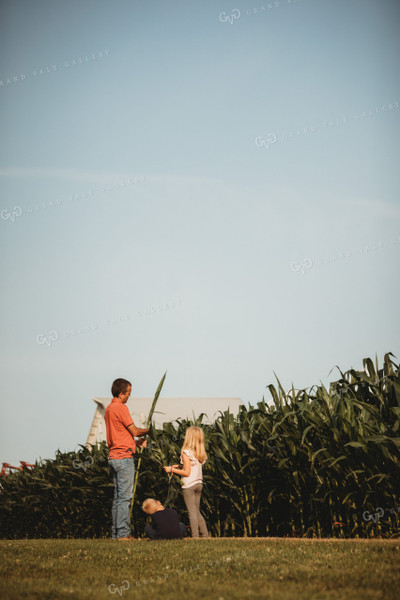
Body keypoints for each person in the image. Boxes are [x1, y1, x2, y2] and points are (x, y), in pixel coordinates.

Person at [105, 378, 149, 540]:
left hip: (114, 456)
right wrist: (148, 431)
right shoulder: (121, 408)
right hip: (124, 458)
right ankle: (123, 534)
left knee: (118, 498)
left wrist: (135, 444)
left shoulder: (109, 409)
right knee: (124, 498)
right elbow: (135, 431)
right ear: (121, 393)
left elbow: (120, 435)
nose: (129, 396)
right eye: (128, 393)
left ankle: (116, 534)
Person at [163, 426, 209, 538]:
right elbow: (191, 467)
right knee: (197, 511)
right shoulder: (199, 453)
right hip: (199, 484)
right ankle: (206, 535)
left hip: (189, 485)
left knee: (192, 512)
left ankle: (195, 537)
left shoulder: (186, 452)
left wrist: (171, 470)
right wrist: (179, 466)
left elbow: (187, 472)